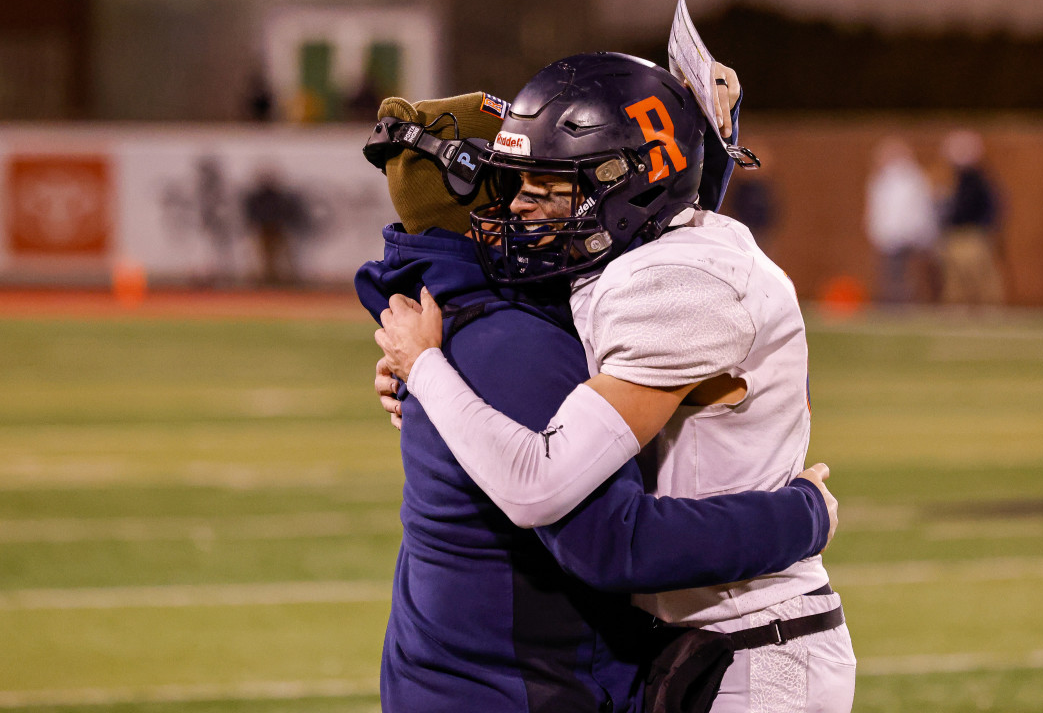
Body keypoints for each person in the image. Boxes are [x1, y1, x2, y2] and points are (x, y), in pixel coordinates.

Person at [376, 53, 855, 713]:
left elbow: (570, 510)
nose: (519, 208)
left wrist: (426, 369)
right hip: (706, 643)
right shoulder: (607, 276)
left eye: (547, 187)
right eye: (518, 184)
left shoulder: (672, 286)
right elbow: (641, 223)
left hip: (756, 641)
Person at [864, 137, 939, 304]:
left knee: (905, 274)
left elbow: (915, 209)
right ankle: (895, 304)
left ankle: (906, 304)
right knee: (891, 274)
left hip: (905, 234)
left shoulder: (909, 179)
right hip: (890, 235)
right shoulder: (881, 180)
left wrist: (919, 234)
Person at [938, 129, 1004, 306]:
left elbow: (992, 206)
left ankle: (988, 307)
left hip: (972, 233)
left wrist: (985, 227)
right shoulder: (954, 178)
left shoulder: (978, 179)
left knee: (979, 275)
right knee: (955, 278)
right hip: (956, 233)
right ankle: (958, 308)